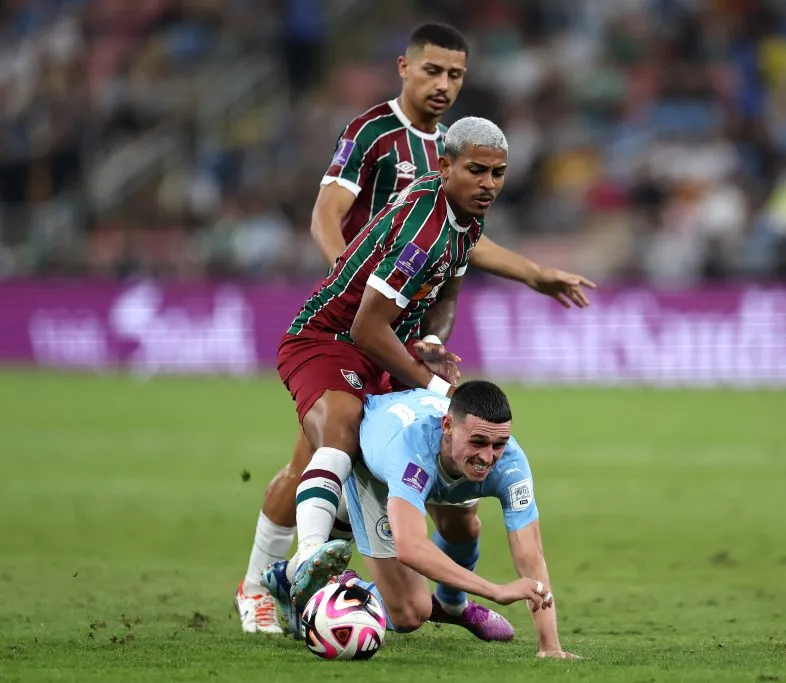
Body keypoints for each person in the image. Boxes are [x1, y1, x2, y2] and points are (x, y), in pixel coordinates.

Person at [236, 22, 596, 635]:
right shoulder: (373, 133)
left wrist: (439, 329)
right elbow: (328, 214)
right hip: (350, 323)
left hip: (391, 326)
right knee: (335, 444)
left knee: (430, 474)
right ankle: (272, 583)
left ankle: (447, 600)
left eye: (456, 74)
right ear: (404, 67)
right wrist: (356, 280)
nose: (444, 84)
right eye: (433, 71)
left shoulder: (456, 172)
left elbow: (456, 265)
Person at [313, 381, 578, 659]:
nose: (488, 457)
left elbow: (530, 555)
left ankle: (451, 604)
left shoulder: (510, 463)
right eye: (478, 442)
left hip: (442, 463)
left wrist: (550, 646)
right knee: (410, 613)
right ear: (448, 427)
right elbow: (411, 547)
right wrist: (495, 590)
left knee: (464, 526)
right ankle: (330, 590)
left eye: (499, 444)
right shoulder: (409, 452)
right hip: (378, 470)